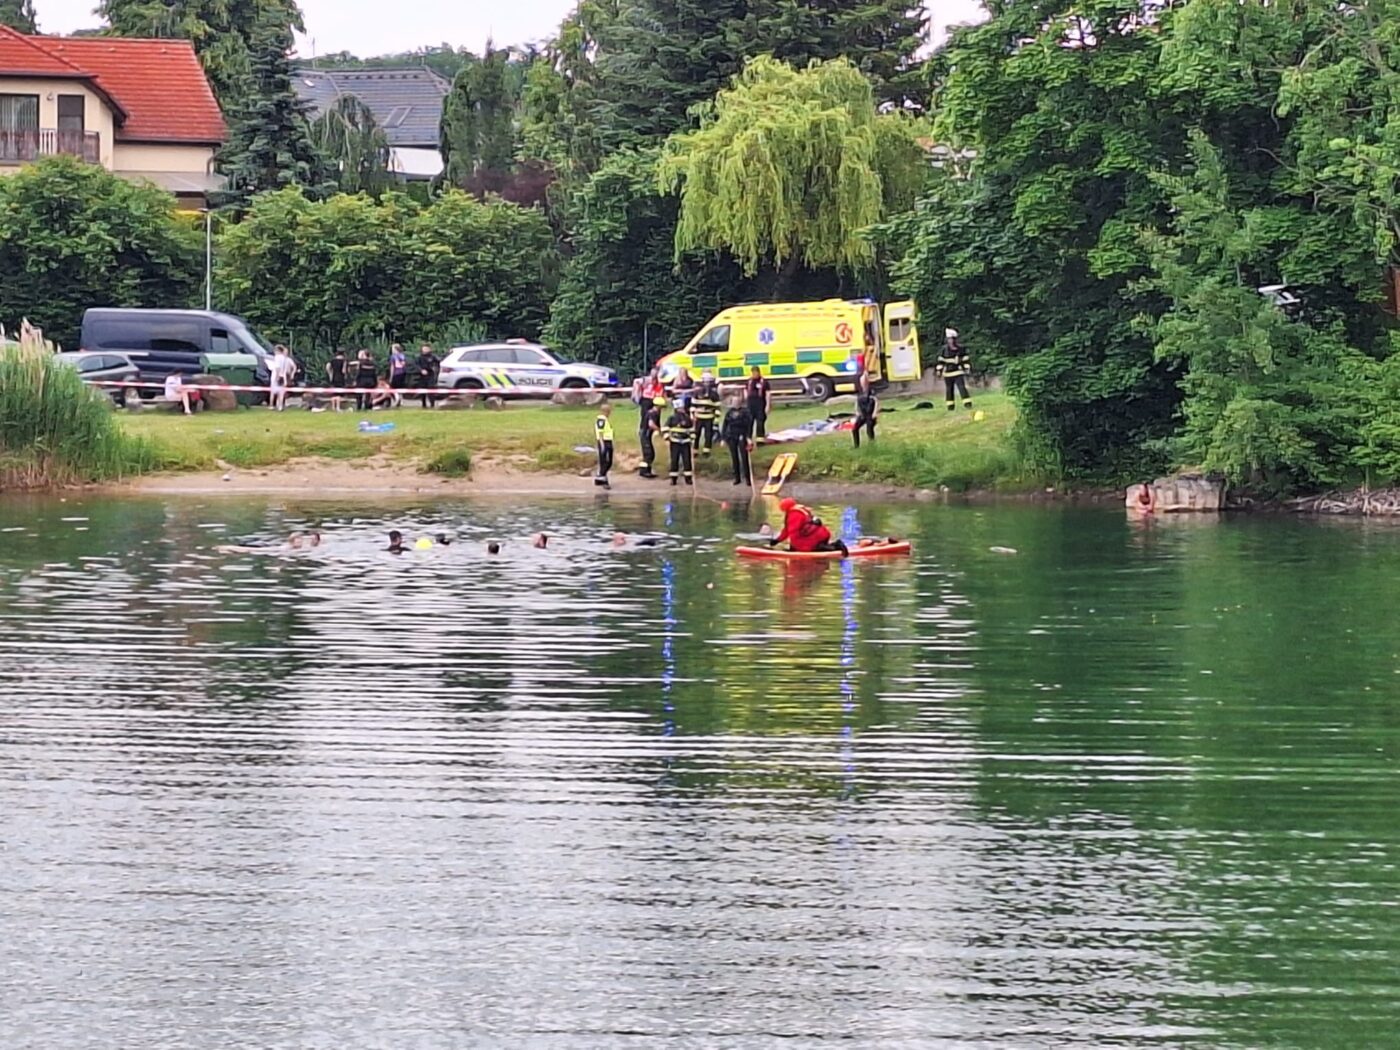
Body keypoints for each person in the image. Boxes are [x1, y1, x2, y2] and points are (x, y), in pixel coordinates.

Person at [770, 497, 848, 555]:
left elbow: (793, 532)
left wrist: (793, 548)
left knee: (809, 549)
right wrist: (778, 540)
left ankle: (836, 546)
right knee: (817, 547)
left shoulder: (794, 514)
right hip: (821, 534)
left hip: (814, 537)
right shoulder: (801, 510)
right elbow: (787, 530)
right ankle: (833, 546)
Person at [721, 395, 754, 487]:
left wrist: (748, 437)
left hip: (742, 435)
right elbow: (725, 425)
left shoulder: (745, 412)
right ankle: (737, 478)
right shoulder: (729, 413)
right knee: (734, 457)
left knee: (744, 457)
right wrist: (723, 438)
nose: (735, 404)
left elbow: (749, 425)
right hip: (731, 436)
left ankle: (748, 478)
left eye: (737, 402)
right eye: (733, 402)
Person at [937, 329, 973, 411]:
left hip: (958, 372)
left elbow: (965, 359)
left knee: (962, 388)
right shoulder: (944, 350)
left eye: (952, 339)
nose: (951, 341)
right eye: (949, 339)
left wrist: (966, 368)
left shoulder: (961, 349)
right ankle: (950, 406)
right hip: (948, 374)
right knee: (949, 390)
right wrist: (939, 370)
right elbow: (940, 361)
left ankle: (967, 404)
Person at [662, 401, 695, 486]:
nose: (682, 409)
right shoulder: (672, 418)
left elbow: (692, 430)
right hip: (675, 442)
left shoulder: (687, 418)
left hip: (686, 442)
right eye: (681, 408)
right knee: (674, 460)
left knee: (687, 461)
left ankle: (688, 479)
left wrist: (692, 439)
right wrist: (667, 438)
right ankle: (673, 479)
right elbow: (665, 428)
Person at [691, 372, 721, 455]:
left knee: (708, 435)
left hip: (709, 417)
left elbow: (717, 407)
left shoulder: (714, 394)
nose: (707, 384)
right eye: (705, 381)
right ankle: (695, 450)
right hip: (698, 417)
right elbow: (693, 404)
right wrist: (693, 415)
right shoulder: (697, 392)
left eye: (709, 382)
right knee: (696, 434)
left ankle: (706, 451)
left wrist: (716, 419)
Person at [639, 396, 664, 479]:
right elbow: (651, 424)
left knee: (650, 453)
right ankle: (644, 471)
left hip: (646, 435)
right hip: (645, 435)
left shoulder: (652, 412)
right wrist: (659, 430)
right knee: (648, 454)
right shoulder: (653, 413)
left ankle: (646, 470)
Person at [268, 344, 298, 412]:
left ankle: (271, 405)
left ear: (277, 350)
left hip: (277, 375)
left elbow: (277, 367)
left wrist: (277, 377)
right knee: (281, 392)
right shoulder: (285, 358)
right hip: (284, 376)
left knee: (273, 391)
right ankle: (280, 406)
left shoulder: (277, 357)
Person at [745, 366, 772, 440]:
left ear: (759, 372)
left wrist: (768, 405)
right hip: (750, 404)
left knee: (760, 422)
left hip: (760, 404)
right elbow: (746, 392)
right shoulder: (749, 381)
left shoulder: (764, 382)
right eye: (753, 372)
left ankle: (760, 439)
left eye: (755, 372)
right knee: (749, 422)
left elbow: (768, 394)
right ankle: (748, 439)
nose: (754, 374)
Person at [852, 377, 879, 448]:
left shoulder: (871, 390)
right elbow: (856, 401)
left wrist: (875, 412)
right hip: (862, 414)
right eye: (862, 382)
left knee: (869, 429)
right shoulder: (859, 390)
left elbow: (876, 401)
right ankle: (856, 446)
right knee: (854, 429)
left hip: (870, 413)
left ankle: (872, 445)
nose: (863, 383)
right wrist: (857, 411)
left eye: (864, 382)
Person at [594, 402, 615, 488]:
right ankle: (602, 478)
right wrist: (602, 444)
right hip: (604, 442)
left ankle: (600, 476)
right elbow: (600, 432)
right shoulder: (601, 420)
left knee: (608, 461)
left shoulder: (605, 420)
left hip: (608, 441)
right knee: (605, 461)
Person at [416, 344, 440, 409]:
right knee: (422, 390)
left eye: (427, 348)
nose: (425, 350)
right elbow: (416, 365)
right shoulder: (419, 357)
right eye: (424, 348)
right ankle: (424, 404)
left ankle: (432, 404)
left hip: (430, 375)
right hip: (422, 376)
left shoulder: (433, 356)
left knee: (431, 389)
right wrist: (421, 370)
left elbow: (439, 361)